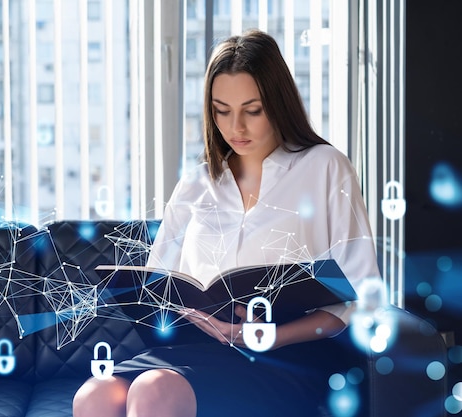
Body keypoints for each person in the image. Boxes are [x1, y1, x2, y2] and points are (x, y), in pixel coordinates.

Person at [73, 29, 381, 417]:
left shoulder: (325, 168)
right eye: (222, 110)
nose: (236, 127)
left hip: (284, 355)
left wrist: (266, 335)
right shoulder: (198, 182)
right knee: (95, 395)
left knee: (155, 392)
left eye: (252, 110)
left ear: (278, 102)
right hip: (193, 348)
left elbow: (359, 296)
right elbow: (158, 286)